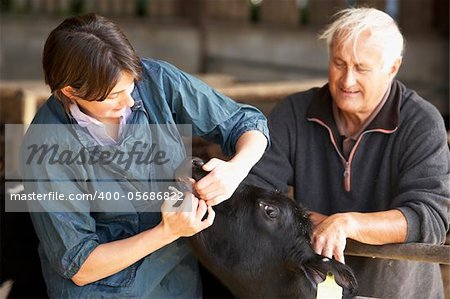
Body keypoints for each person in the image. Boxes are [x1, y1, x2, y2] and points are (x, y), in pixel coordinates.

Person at [19, 13, 269, 298]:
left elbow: (246, 123)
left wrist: (235, 170)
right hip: (100, 290)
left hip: (175, 283)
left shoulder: (157, 82)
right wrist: (168, 231)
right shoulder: (45, 144)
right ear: (70, 91)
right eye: (112, 96)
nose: (129, 101)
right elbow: (80, 265)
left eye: (131, 86)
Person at [247, 7, 449, 299]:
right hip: (318, 287)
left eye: (361, 68)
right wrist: (322, 223)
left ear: (393, 67)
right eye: (339, 63)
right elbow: (254, 192)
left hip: (397, 292)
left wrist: (348, 223)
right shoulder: (293, 113)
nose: (346, 80)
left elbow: (428, 218)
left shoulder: (422, 123)